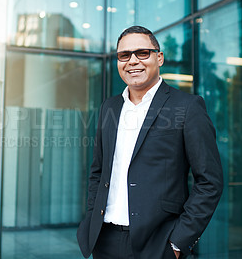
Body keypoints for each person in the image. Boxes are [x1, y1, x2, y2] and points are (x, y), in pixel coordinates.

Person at [76, 25, 223, 259]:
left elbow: (209, 182)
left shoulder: (187, 107)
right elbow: (98, 171)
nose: (132, 61)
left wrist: (178, 243)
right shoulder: (109, 107)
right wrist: (92, 217)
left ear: (159, 58)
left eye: (142, 53)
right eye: (124, 55)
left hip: (159, 244)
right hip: (104, 241)